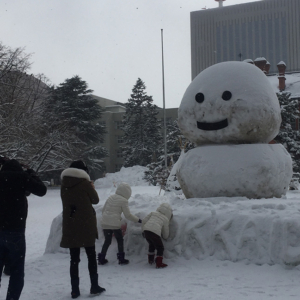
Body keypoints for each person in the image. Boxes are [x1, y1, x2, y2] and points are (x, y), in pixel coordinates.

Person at [0, 159, 47, 300]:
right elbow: (42, 190)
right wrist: (31, 173)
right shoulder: (22, 178)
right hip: (16, 230)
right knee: (16, 272)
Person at [60, 160, 105, 299]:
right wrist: (91, 186)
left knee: (74, 259)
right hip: (86, 224)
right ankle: (94, 286)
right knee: (91, 256)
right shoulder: (85, 183)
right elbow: (95, 200)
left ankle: (75, 290)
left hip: (71, 224)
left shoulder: (64, 185)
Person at [98, 182, 142, 265]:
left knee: (107, 241)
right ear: (127, 193)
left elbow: (103, 210)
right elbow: (128, 215)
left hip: (105, 223)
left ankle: (101, 258)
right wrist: (138, 220)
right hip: (114, 224)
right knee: (119, 240)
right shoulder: (124, 201)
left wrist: (107, 218)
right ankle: (121, 259)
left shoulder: (110, 197)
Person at [142, 203, 173, 268]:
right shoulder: (165, 219)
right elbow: (165, 231)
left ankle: (150, 260)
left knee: (151, 245)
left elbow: (144, 221)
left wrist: (143, 230)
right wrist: (165, 237)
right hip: (155, 233)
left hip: (146, 230)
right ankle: (159, 263)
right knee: (160, 247)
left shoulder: (153, 213)